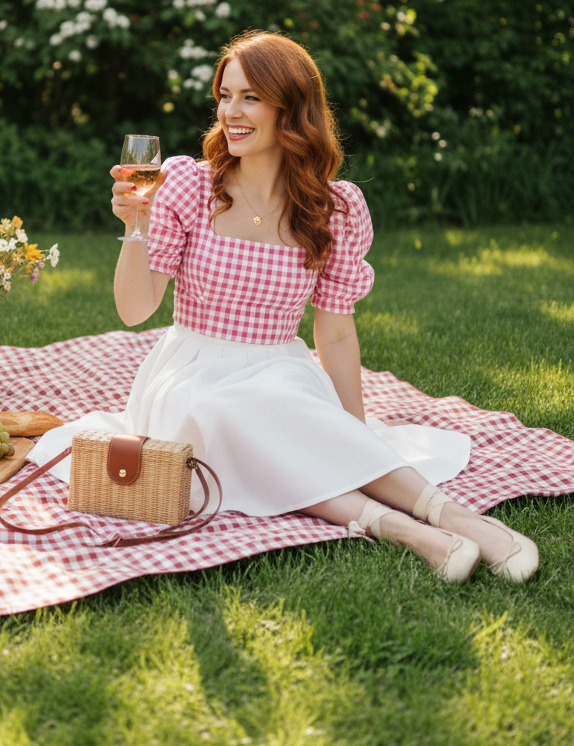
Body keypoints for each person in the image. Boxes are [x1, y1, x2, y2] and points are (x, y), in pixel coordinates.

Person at [38, 31, 539, 583]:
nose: (231, 112)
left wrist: (354, 435)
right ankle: (403, 530)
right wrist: (136, 225)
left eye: (250, 97)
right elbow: (135, 311)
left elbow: (337, 334)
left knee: (276, 408)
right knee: (226, 412)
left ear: (291, 109)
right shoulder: (186, 184)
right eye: (224, 96)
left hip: (278, 365)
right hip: (190, 373)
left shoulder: (335, 207)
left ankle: (457, 519)